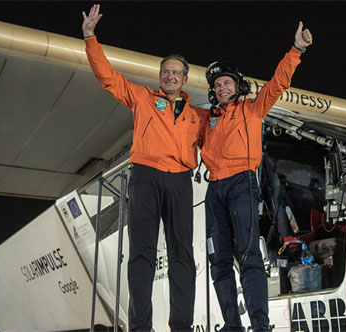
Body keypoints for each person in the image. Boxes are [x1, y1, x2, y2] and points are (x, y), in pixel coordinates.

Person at [82, 4, 203, 332]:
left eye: (176, 72)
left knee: (182, 258)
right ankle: (140, 327)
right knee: (141, 257)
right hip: (146, 179)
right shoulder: (143, 98)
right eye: (165, 72)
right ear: (160, 76)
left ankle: (181, 326)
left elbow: (224, 140)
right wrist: (90, 37)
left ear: (184, 79)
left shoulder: (198, 116)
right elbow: (108, 78)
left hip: (180, 181)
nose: (170, 76)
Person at [200, 22, 313, 331]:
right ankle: (232, 325)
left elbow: (277, 83)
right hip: (214, 191)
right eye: (217, 85)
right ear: (213, 91)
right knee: (219, 262)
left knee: (249, 255)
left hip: (241, 184)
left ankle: (260, 326)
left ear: (238, 86)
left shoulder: (253, 109)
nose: (222, 87)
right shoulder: (205, 120)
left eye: (227, 83)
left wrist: (296, 50)